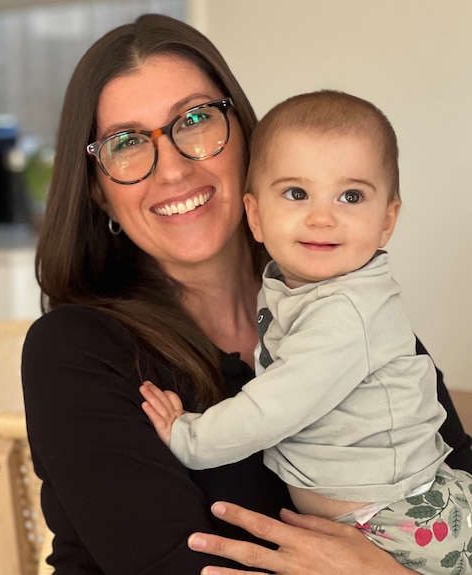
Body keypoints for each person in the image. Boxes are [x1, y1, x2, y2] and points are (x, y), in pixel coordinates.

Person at [20, 12, 472, 575]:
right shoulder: (76, 352)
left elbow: (454, 469)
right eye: (128, 142)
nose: (173, 170)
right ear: (99, 191)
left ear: (249, 146)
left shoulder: (345, 302)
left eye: (194, 119)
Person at [139, 89, 472, 574]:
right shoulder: (296, 288)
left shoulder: (346, 314)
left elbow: (271, 408)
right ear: (256, 216)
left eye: (351, 196)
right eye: (297, 193)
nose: (322, 216)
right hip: (371, 519)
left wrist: (188, 436)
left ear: (387, 220)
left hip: (400, 525)